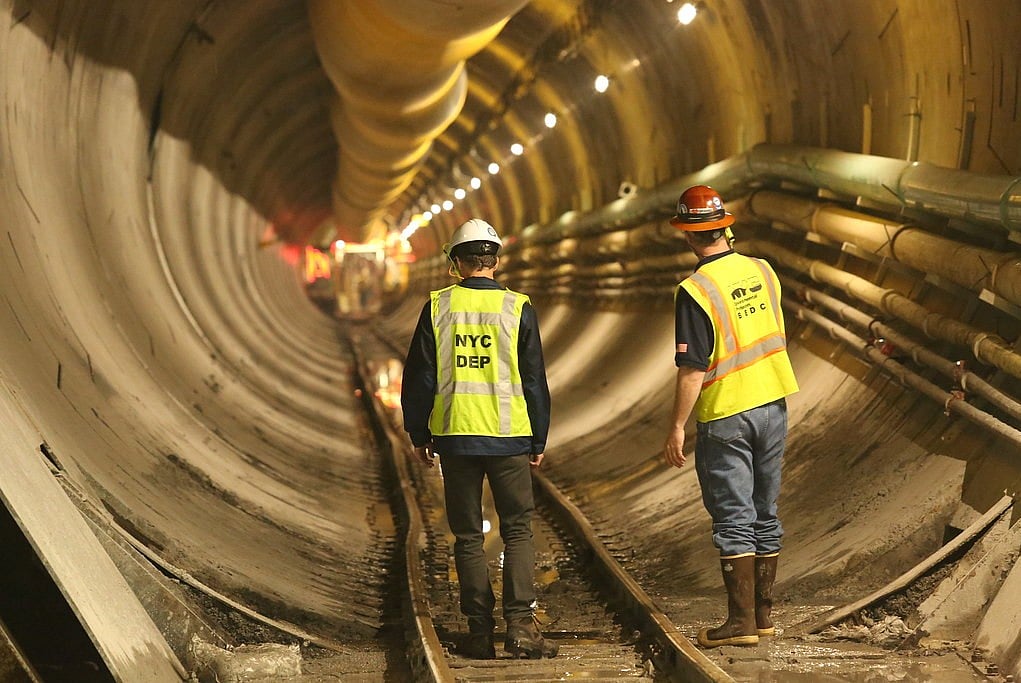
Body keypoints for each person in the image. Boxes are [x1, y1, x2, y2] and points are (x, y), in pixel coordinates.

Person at [401, 218, 558, 660]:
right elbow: (534, 378)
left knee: (468, 535)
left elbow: (420, 376)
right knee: (518, 531)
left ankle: (479, 632)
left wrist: (418, 431)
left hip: (456, 436)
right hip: (509, 436)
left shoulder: (438, 307)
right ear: (495, 260)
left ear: (456, 262)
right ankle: (522, 629)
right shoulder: (518, 307)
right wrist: (539, 436)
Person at [662, 185, 799, 648]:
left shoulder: (695, 290)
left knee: (734, 517)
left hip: (726, 413)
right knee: (765, 511)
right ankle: (763, 619)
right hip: (774, 403)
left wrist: (678, 425)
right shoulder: (763, 271)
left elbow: (692, 368)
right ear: (726, 224)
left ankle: (740, 625)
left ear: (687, 234)